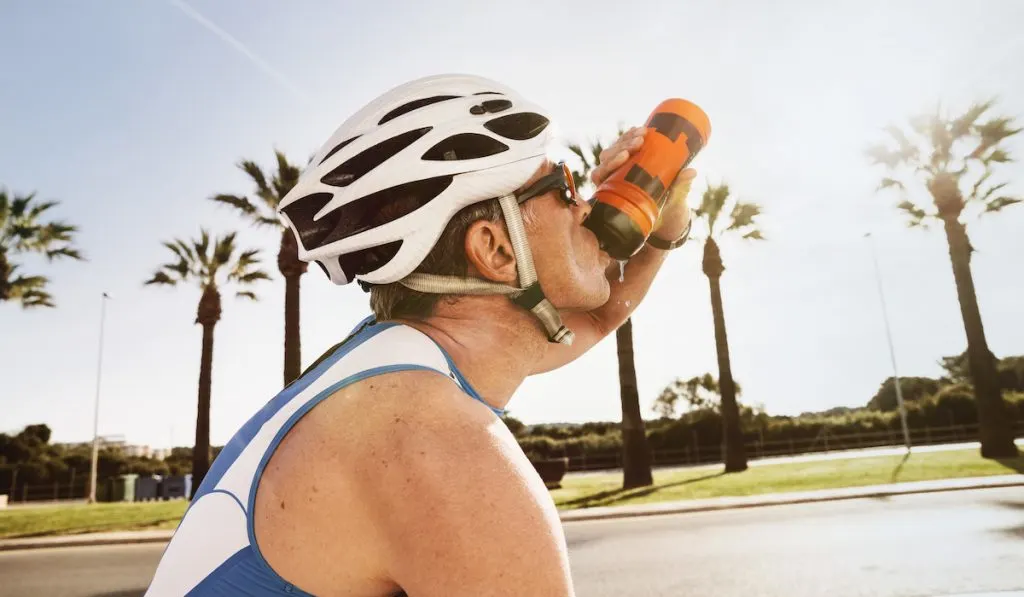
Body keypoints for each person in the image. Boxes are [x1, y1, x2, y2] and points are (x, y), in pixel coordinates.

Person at [145, 73, 696, 597]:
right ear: (496, 250)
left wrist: (663, 224)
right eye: (564, 188)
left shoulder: (390, 365)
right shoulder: (439, 448)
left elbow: (599, 317)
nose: (585, 204)